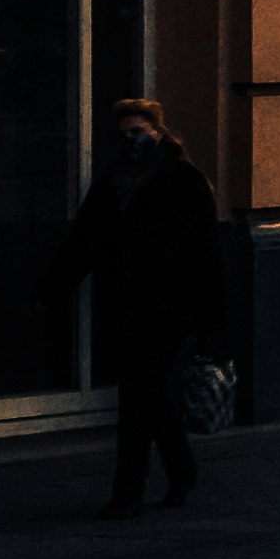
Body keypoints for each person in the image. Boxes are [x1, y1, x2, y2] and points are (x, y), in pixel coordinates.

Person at [55, 95, 230, 514]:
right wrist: (52, 290)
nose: (132, 140)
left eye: (139, 132)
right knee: (149, 398)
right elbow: (86, 238)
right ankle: (174, 476)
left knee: (143, 398)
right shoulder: (114, 180)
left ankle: (129, 491)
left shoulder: (185, 180)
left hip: (175, 310)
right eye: (124, 134)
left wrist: (213, 320)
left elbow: (208, 250)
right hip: (132, 308)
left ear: (157, 131)